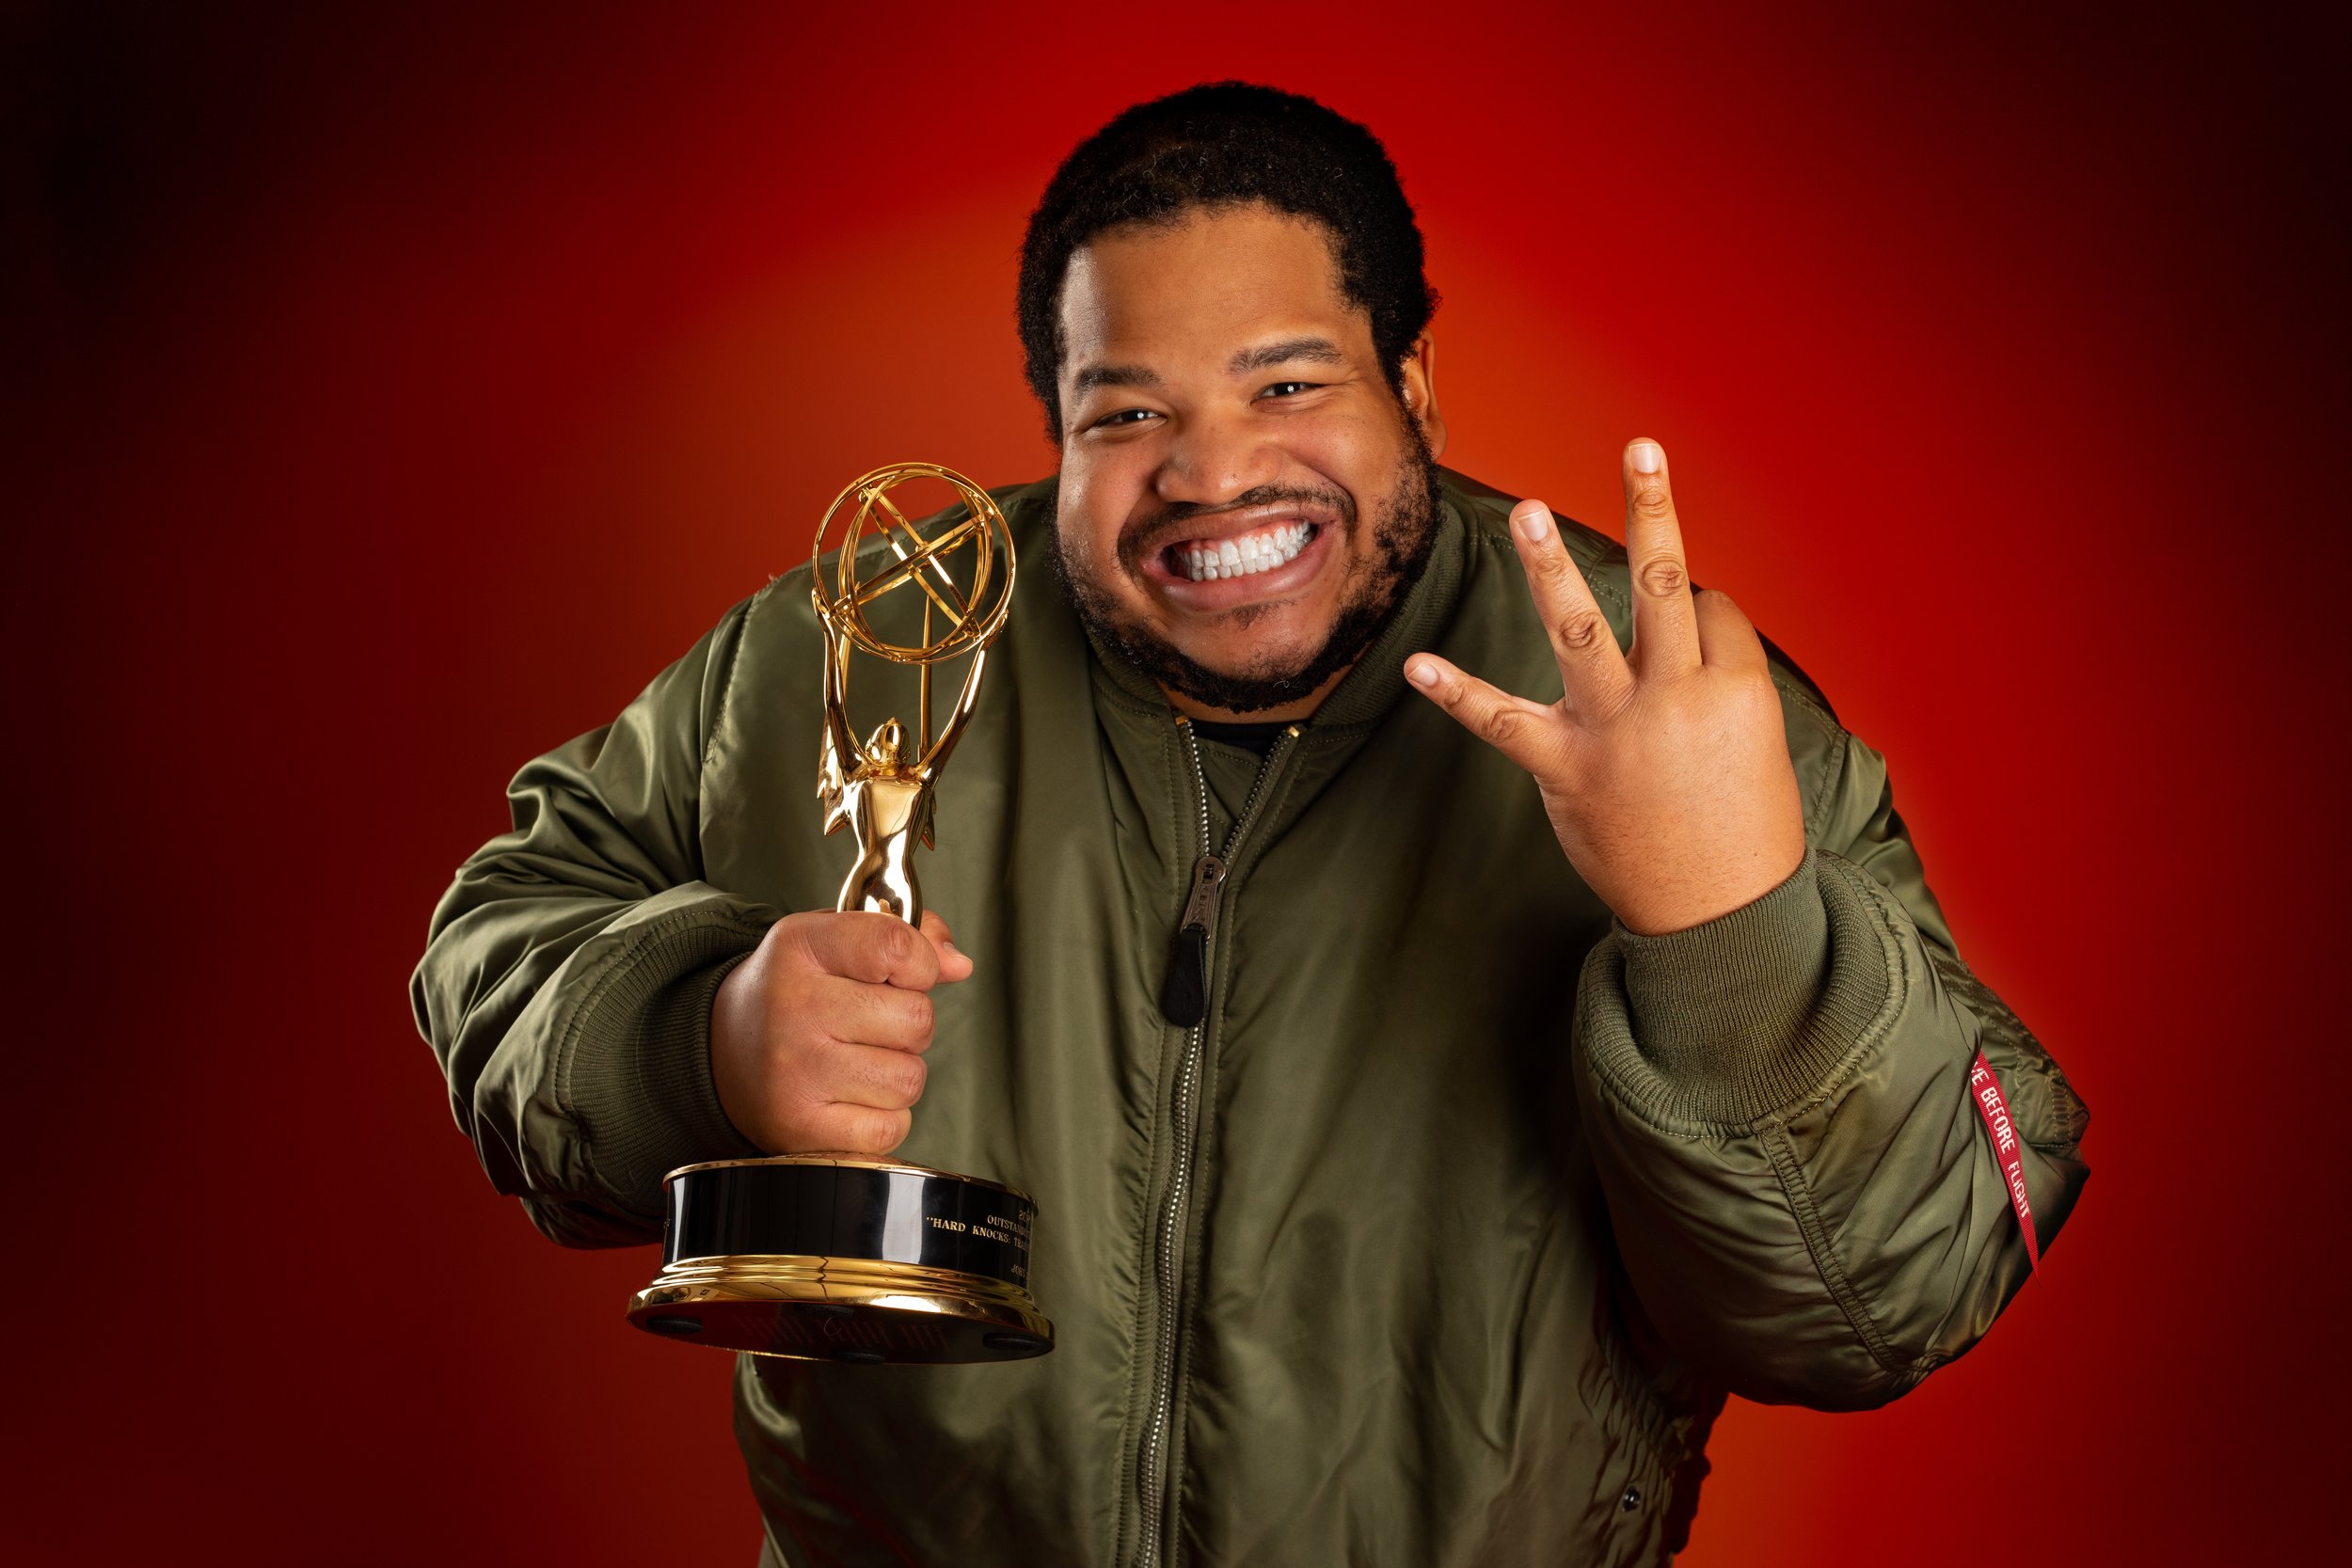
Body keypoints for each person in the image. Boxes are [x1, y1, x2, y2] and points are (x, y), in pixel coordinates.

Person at [413, 82, 2089, 1568]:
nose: (1212, 475)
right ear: (1055, 431)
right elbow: (502, 937)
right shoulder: (862, 636)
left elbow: (1899, 1297)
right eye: (1125, 413)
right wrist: (697, 1031)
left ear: (1416, 387)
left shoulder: (1673, 705)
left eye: (1287, 384)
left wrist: (1724, 925)